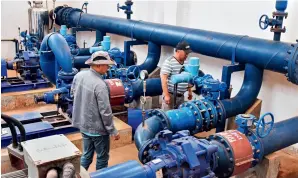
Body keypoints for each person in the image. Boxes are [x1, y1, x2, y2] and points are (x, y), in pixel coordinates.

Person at [70, 51, 120, 171]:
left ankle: (78, 175)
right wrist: (112, 130)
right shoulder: (100, 85)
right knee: (102, 158)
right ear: (98, 65)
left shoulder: (79, 75)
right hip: (98, 131)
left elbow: (72, 94)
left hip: (83, 125)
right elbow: (105, 112)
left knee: (86, 155)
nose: (108, 68)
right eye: (106, 65)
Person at [160, 41, 193, 111]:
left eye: (188, 53)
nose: (187, 55)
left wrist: (190, 91)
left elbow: (188, 78)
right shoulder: (169, 62)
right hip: (171, 95)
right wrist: (166, 95)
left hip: (181, 97)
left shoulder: (186, 63)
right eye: (185, 53)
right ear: (178, 51)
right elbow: (164, 80)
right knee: (168, 117)